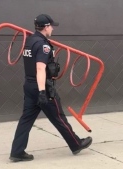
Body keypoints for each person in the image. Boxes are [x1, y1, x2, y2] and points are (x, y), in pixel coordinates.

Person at [9, 14, 92, 162]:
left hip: (29, 85)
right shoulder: (43, 45)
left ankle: (17, 151)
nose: (52, 28)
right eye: (51, 26)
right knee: (58, 117)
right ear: (46, 27)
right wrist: (42, 92)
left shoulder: (29, 41)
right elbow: (40, 68)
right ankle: (76, 144)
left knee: (26, 119)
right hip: (41, 87)